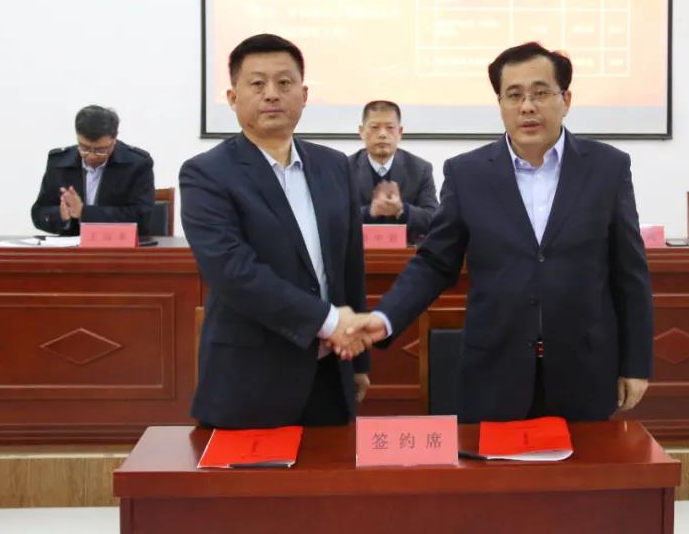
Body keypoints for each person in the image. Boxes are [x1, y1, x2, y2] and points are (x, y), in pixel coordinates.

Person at [348, 42, 654, 423]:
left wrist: (636, 363)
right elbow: (434, 263)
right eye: (514, 95)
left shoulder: (607, 167)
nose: (527, 106)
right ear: (500, 104)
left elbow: (630, 272)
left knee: (585, 464)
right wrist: (385, 317)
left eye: (540, 93)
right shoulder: (467, 173)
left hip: (585, 371)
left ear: (566, 99)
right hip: (494, 372)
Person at [180, 33, 370, 429]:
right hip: (250, 378)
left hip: (329, 373)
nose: (271, 94)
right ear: (232, 97)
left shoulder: (335, 166)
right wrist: (329, 321)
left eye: (284, 83)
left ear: (303, 94)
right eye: (257, 83)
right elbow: (234, 272)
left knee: (329, 470)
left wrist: (358, 361)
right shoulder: (206, 174)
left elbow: (350, 266)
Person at [31, 105, 154, 235]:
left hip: (118, 244)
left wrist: (84, 213)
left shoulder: (137, 164)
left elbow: (141, 216)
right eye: (84, 148)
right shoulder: (58, 163)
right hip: (72, 245)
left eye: (101, 150)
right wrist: (60, 215)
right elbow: (39, 213)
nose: (91, 155)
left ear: (114, 139)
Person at [349, 100, 439, 244]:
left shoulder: (420, 169)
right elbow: (333, 217)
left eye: (390, 127)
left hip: (407, 254)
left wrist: (402, 210)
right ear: (361, 131)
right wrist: (369, 212)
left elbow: (434, 219)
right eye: (375, 127)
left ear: (400, 132)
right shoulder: (345, 168)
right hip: (357, 253)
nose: (382, 134)